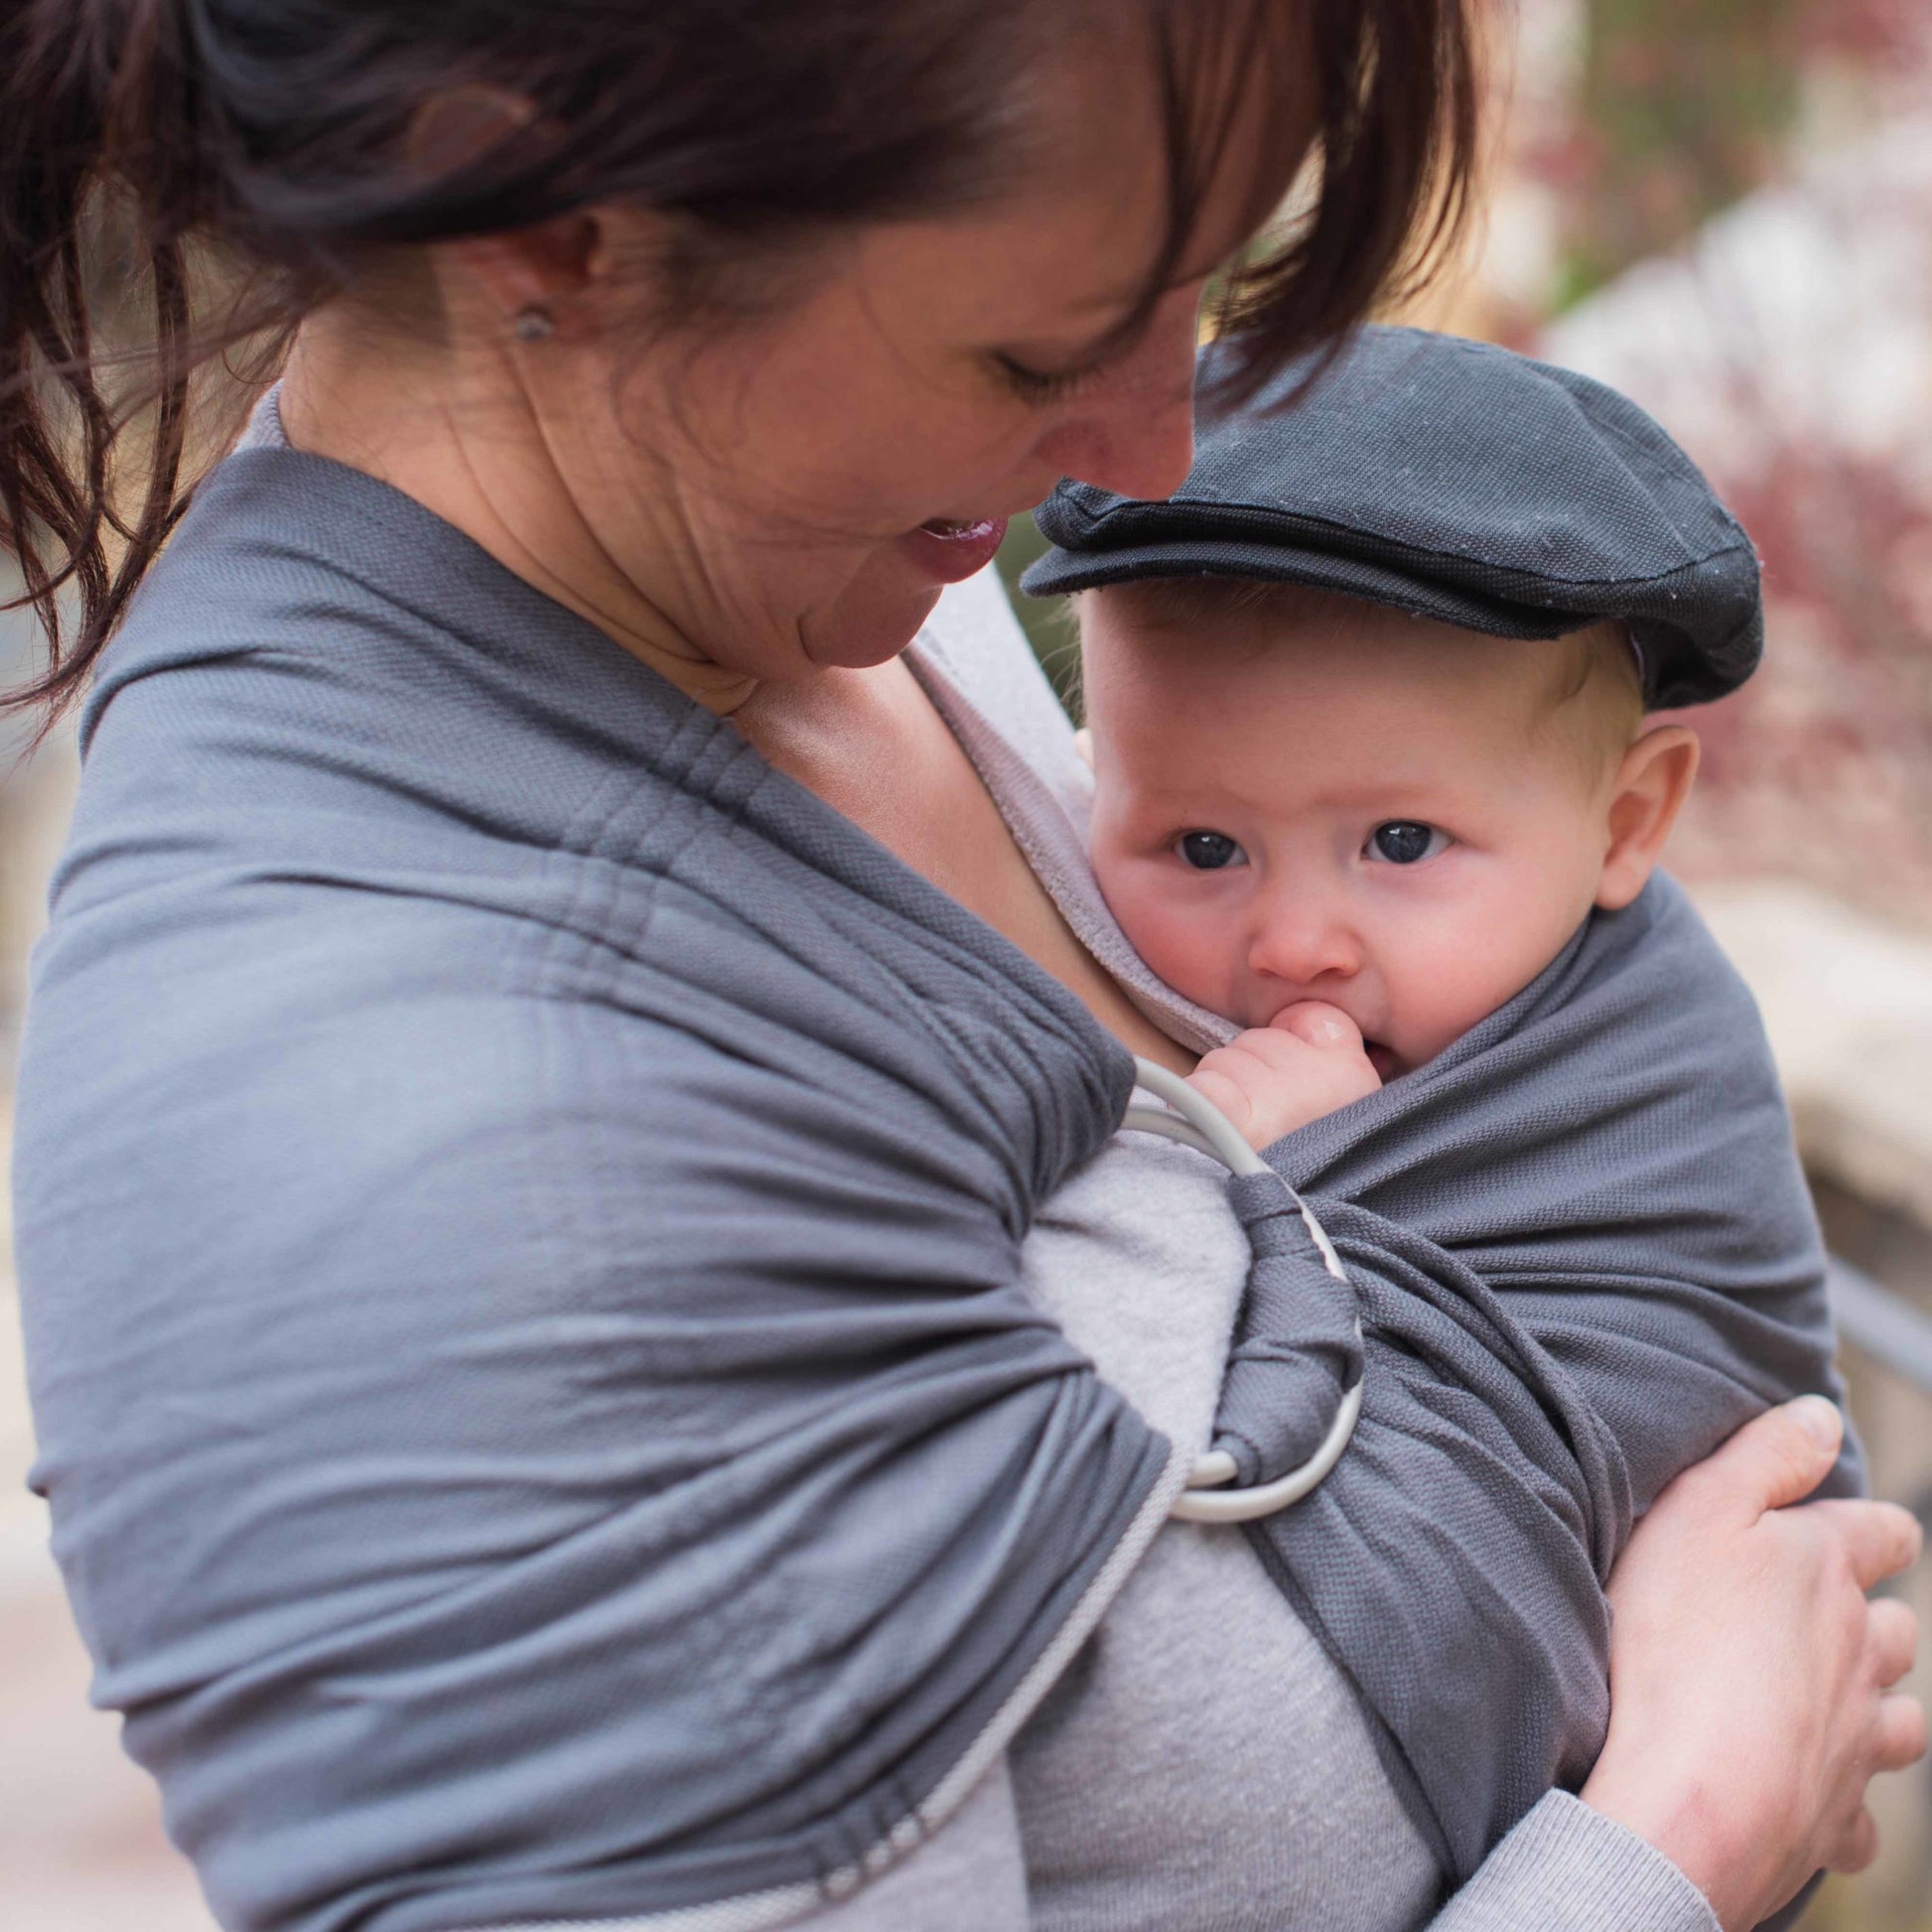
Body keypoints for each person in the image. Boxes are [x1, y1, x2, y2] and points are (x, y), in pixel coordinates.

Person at [0, 7, 1918, 1932]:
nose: (1152, 452)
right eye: (1038, 343)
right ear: (549, 216)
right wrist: (1674, 1830)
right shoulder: (445, 1163)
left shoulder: (808, 557)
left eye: (1199, 286)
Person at [1001, 325, 1864, 1888]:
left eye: (1398, 840)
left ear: (1626, 821)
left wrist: (1297, 1191)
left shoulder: (1642, 1067)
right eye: (1199, 846)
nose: (1293, 940)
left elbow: (1664, 1349)